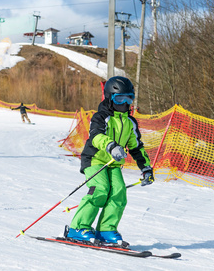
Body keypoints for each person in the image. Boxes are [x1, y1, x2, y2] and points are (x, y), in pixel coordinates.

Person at [64, 76, 154, 246]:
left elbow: (136, 148)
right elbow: (96, 136)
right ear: (109, 98)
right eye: (120, 99)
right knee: (100, 189)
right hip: (95, 159)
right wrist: (111, 146)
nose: (124, 104)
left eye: (129, 99)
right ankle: (78, 227)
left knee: (119, 192)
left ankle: (105, 229)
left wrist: (146, 168)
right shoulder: (101, 117)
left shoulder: (130, 122)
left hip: (113, 164)